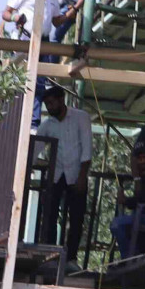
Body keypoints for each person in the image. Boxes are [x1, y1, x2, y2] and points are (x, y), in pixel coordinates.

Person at [34, 85, 92, 274]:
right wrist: (27, 168)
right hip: (57, 174)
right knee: (49, 215)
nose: (49, 107)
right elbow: (35, 149)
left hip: (77, 174)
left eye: (52, 103)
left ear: (61, 100)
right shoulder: (47, 125)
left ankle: (71, 258)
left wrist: (82, 177)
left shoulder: (81, 117)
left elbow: (87, 148)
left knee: (76, 218)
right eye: (47, 104)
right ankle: (51, 256)